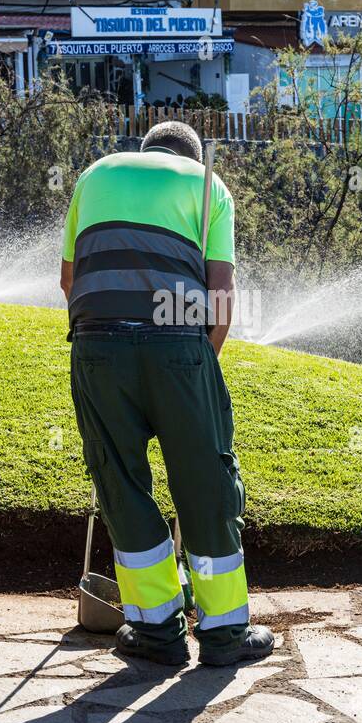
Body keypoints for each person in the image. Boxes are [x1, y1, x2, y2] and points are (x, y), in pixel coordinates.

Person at [59, 121, 273, 667]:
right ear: (191, 156)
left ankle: (157, 632)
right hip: (177, 341)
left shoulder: (94, 174)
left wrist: (97, 340)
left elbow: (68, 280)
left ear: (146, 150)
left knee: (120, 482)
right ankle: (224, 637)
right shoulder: (207, 185)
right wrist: (197, 364)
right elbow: (221, 295)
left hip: (96, 343)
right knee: (205, 481)